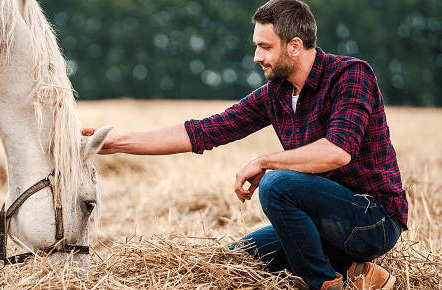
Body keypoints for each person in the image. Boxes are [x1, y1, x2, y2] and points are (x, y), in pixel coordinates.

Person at [82, 0, 407, 289]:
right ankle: (356, 271)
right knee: (239, 257)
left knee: (277, 183)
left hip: (372, 220)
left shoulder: (350, 75)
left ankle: (325, 283)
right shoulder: (275, 94)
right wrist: (117, 143)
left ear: (294, 46)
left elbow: (338, 151)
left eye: (265, 47)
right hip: (323, 225)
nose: (256, 57)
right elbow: (204, 131)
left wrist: (266, 162)